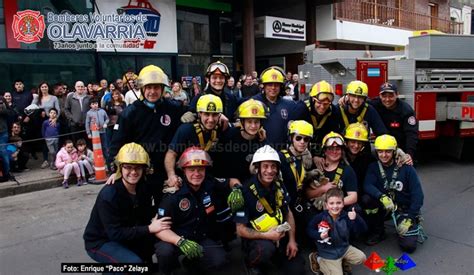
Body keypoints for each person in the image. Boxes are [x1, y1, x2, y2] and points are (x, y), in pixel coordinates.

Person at [109, 65, 186, 203]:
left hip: (168, 172)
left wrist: (193, 114)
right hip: (140, 174)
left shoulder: (174, 108)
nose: (152, 92)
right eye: (148, 87)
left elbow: (196, 110)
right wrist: (116, 171)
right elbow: (116, 144)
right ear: (142, 88)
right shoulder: (130, 113)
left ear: (162, 89)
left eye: (156, 87)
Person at [84, 143, 170, 264]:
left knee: (158, 245)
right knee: (133, 263)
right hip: (101, 241)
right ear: (120, 168)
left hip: (127, 232)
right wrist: (149, 228)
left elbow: (146, 211)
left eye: (138, 167)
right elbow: (115, 233)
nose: (133, 172)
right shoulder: (109, 195)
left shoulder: (143, 186)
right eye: (128, 167)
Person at [155, 147, 231, 274]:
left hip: (199, 238)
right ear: (184, 171)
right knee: (165, 252)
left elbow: (230, 181)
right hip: (174, 239)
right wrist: (180, 241)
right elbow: (159, 229)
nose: (196, 173)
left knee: (220, 260)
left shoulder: (209, 184)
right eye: (191, 169)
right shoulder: (173, 194)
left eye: (200, 169)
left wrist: (237, 188)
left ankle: (191, 264)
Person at [234, 145, 305, 275]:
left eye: (273, 166)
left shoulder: (279, 185)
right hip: (257, 239)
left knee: (298, 270)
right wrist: (267, 236)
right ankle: (251, 263)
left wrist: (292, 240)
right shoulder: (244, 192)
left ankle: (276, 256)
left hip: (279, 234)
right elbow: (240, 230)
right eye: (265, 166)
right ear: (258, 168)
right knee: (265, 250)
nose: (270, 170)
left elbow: (288, 213)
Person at [363, 135, 425, 252]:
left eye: (388, 151)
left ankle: (405, 223)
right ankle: (378, 231)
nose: (384, 155)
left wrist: (410, 218)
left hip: (403, 209)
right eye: (380, 151)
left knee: (408, 246)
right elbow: (367, 185)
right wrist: (381, 197)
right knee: (367, 200)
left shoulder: (406, 168)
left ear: (394, 151)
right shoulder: (373, 167)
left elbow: (418, 196)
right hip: (386, 206)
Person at [165, 94, 224, 187]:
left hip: (207, 180)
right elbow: (171, 153)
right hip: (185, 181)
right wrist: (171, 175)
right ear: (199, 113)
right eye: (206, 114)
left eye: (215, 114)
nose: (211, 119)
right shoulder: (186, 129)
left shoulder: (220, 129)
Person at [307, 188, 367, 275]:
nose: (335, 206)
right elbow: (309, 230)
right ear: (326, 205)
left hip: (344, 249)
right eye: (331, 203)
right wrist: (319, 235)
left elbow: (363, 230)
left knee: (362, 258)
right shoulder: (320, 217)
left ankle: (341, 262)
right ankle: (318, 259)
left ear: (343, 203)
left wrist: (355, 218)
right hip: (327, 254)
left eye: (338, 203)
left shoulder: (346, 216)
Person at [212, 99, 266, 183]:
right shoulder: (228, 137)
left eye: (256, 122)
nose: (253, 126)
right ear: (242, 121)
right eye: (249, 121)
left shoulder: (262, 141)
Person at [253, 66, 305, 150]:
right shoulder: (254, 103)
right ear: (264, 86)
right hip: (260, 152)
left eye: (276, 85)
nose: (273, 88)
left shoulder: (289, 104)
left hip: (282, 152)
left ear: (281, 86)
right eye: (270, 84)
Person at [278, 120, 314, 242]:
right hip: (284, 206)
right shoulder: (281, 157)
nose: (302, 142)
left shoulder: (305, 159)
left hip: (299, 203)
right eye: (298, 138)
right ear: (291, 138)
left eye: (306, 139)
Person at [306, 132, 358, 212]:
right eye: (330, 149)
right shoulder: (315, 167)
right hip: (315, 210)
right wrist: (323, 189)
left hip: (337, 212)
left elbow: (353, 197)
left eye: (337, 149)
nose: (334, 152)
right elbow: (307, 194)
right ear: (325, 151)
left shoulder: (347, 170)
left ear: (342, 151)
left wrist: (334, 205)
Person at [300, 81, 343, 170]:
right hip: (303, 150)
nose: (322, 107)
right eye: (319, 103)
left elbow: (333, 135)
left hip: (321, 151)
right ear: (312, 99)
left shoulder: (334, 112)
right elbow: (296, 138)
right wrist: (310, 155)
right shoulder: (301, 109)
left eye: (326, 104)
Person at [370, 82, 418, 160]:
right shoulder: (375, 104)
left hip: (401, 150)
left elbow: (411, 134)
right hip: (383, 150)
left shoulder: (406, 110)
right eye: (384, 96)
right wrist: (345, 98)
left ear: (397, 94)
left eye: (391, 96)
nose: (387, 99)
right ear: (379, 96)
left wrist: (409, 154)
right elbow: (361, 102)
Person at [85, 98, 110, 162]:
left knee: (104, 146)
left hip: (103, 132)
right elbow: (87, 123)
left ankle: (107, 160)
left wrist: (105, 123)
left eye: (96, 103)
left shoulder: (102, 111)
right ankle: (98, 160)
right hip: (94, 133)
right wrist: (88, 133)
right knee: (97, 147)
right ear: (90, 105)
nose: (95, 105)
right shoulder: (89, 113)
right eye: (93, 104)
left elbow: (107, 119)